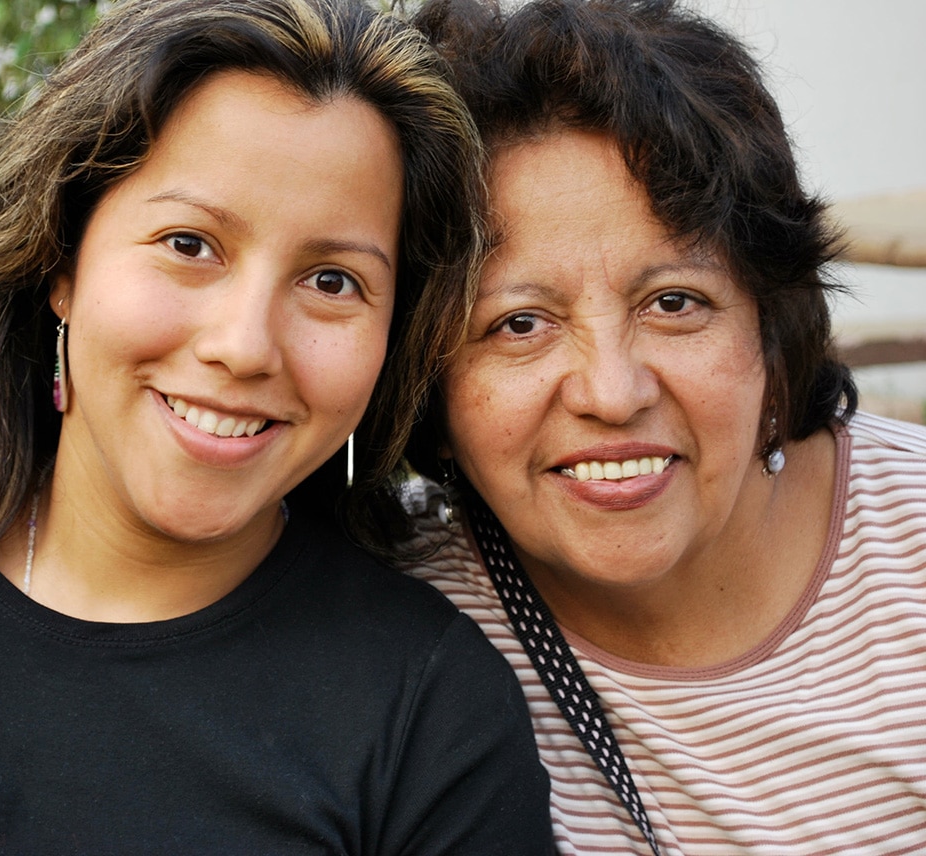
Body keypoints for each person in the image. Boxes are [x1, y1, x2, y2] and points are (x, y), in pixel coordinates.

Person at [0, 0, 555, 851]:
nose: (246, 346)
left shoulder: (429, 717)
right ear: (61, 261)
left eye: (332, 281)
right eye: (190, 244)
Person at [396, 0, 926, 852]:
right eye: (519, 324)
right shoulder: (393, 639)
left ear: (771, 325)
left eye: (674, 302)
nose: (611, 392)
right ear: (429, 381)